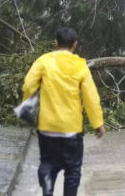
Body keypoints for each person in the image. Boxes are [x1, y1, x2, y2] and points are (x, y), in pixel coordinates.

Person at [22, 27, 105, 196]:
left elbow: (28, 85)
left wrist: (27, 108)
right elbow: (91, 97)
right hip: (71, 130)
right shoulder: (80, 66)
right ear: (75, 44)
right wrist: (97, 123)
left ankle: (47, 185)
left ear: (56, 43)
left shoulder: (44, 61)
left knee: (47, 164)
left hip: (47, 128)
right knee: (73, 171)